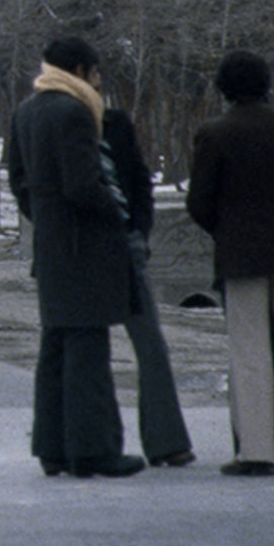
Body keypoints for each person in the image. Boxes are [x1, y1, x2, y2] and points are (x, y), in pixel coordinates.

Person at [4, 36, 144, 478]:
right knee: (88, 351)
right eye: (97, 73)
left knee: (56, 349)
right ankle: (93, 449)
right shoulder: (74, 111)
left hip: (51, 247)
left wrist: (45, 220)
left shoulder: (26, 111)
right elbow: (83, 184)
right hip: (86, 248)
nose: (99, 82)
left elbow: (19, 179)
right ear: (81, 71)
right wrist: (117, 217)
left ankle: (53, 447)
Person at [185, 49, 274, 476]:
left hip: (240, 255)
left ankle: (257, 449)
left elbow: (199, 202)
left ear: (224, 88)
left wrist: (225, 229)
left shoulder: (215, 133)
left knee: (250, 351)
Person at [101, 107, 194, 467]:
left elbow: (139, 180)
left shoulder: (114, 124)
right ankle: (97, 442)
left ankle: (167, 441)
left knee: (152, 344)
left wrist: (140, 228)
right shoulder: (59, 124)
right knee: (86, 350)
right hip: (81, 252)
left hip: (127, 246)